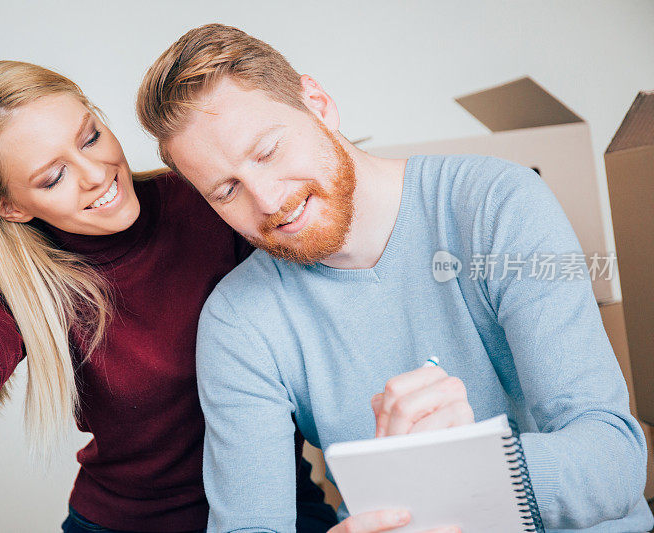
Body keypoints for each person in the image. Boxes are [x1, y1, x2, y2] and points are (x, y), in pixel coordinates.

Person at [135, 24, 654, 532]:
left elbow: (614, 460)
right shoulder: (238, 321)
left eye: (268, 152)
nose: (268, 201)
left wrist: (464, 480)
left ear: (316, 102)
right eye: (226, 191)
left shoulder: (496, 204)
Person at [0, 60, 337, 533]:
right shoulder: (27, 286)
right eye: (53, 177)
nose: (96, 173)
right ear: (10, 207)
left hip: (284, 507)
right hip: (123, 524)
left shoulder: (208, 199)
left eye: (90, 137)